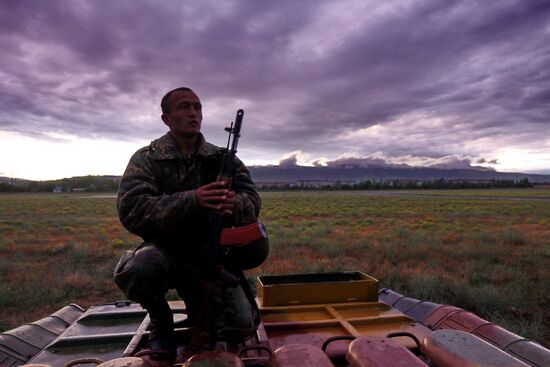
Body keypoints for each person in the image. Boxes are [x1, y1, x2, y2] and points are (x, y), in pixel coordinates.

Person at [114, 87, 262, 364]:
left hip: (214, 256)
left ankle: (203, 314)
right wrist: (193, 200)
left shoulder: (222, 159)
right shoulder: (147, 158)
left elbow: (252, 200)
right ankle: (160, 321)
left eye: (197, 107)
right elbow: (131, 209)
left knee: (242, 325)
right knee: (140, 269)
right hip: (167, 253)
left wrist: (234, 204)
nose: (193, 113)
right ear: (166, 118)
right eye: (184, 107)